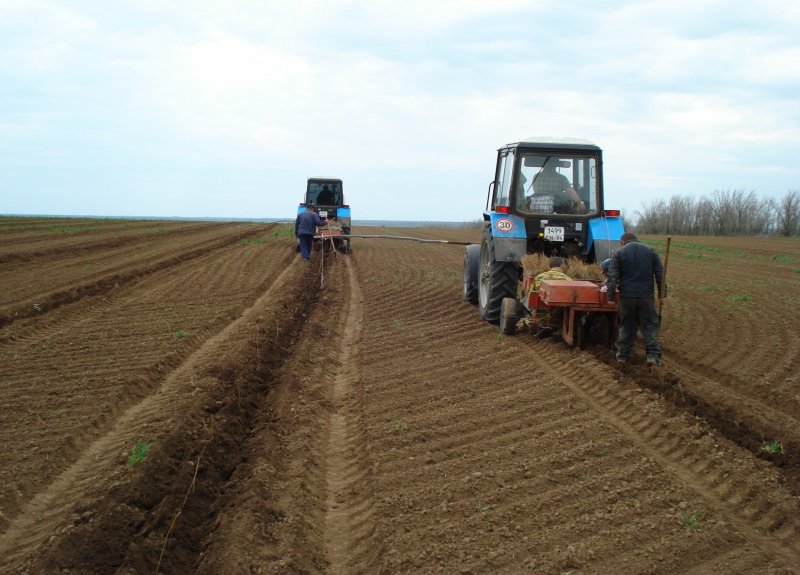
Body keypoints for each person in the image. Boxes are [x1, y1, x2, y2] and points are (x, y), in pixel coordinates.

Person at [606, 232, 666, 365]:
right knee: (650, 325)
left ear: (622, 242)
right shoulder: (651, 251)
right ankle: (652, 356)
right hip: (646, 296)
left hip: (627, 297)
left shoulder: (619, 253)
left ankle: (622, 356)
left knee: (627, 325)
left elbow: (612, 277)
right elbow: (660, 275)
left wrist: (610, 296)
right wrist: (662, 295)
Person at [533, 256, 572, 335]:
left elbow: (533, 293)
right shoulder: (568, 280)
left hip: (541, 308)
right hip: (559, 311)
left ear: (549, 266)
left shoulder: (538, 277)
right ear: (562, 265)